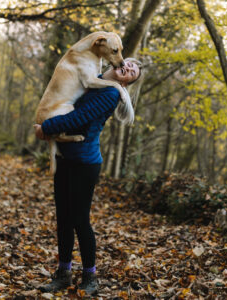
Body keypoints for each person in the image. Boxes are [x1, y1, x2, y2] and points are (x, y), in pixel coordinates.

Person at [34, 58, 142, 295]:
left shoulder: (111, 95)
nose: (127, 68)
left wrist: (46, 128)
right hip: (64, 157)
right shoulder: (92, 80)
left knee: (79, 219)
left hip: (85, 163)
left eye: (132, 72)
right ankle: (63, 274)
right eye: (129, 63)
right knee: (63, 218)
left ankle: (90, 277)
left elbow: (79, 118)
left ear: (127, 82)